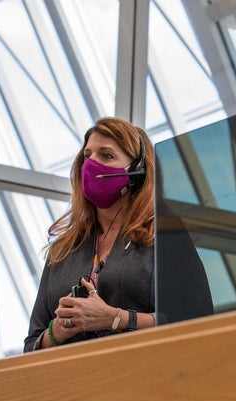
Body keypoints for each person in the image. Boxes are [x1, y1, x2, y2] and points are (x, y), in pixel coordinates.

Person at [24, 117, 157, 351]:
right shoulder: (63, 250)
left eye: (106, 155)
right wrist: (56, 332)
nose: (91, 164)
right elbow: (31, 345)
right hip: (77, 382)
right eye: (87, 156)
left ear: (137, 171)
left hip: (148, 377)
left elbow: (195, 317)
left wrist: (116, 318)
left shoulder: (162, 237)